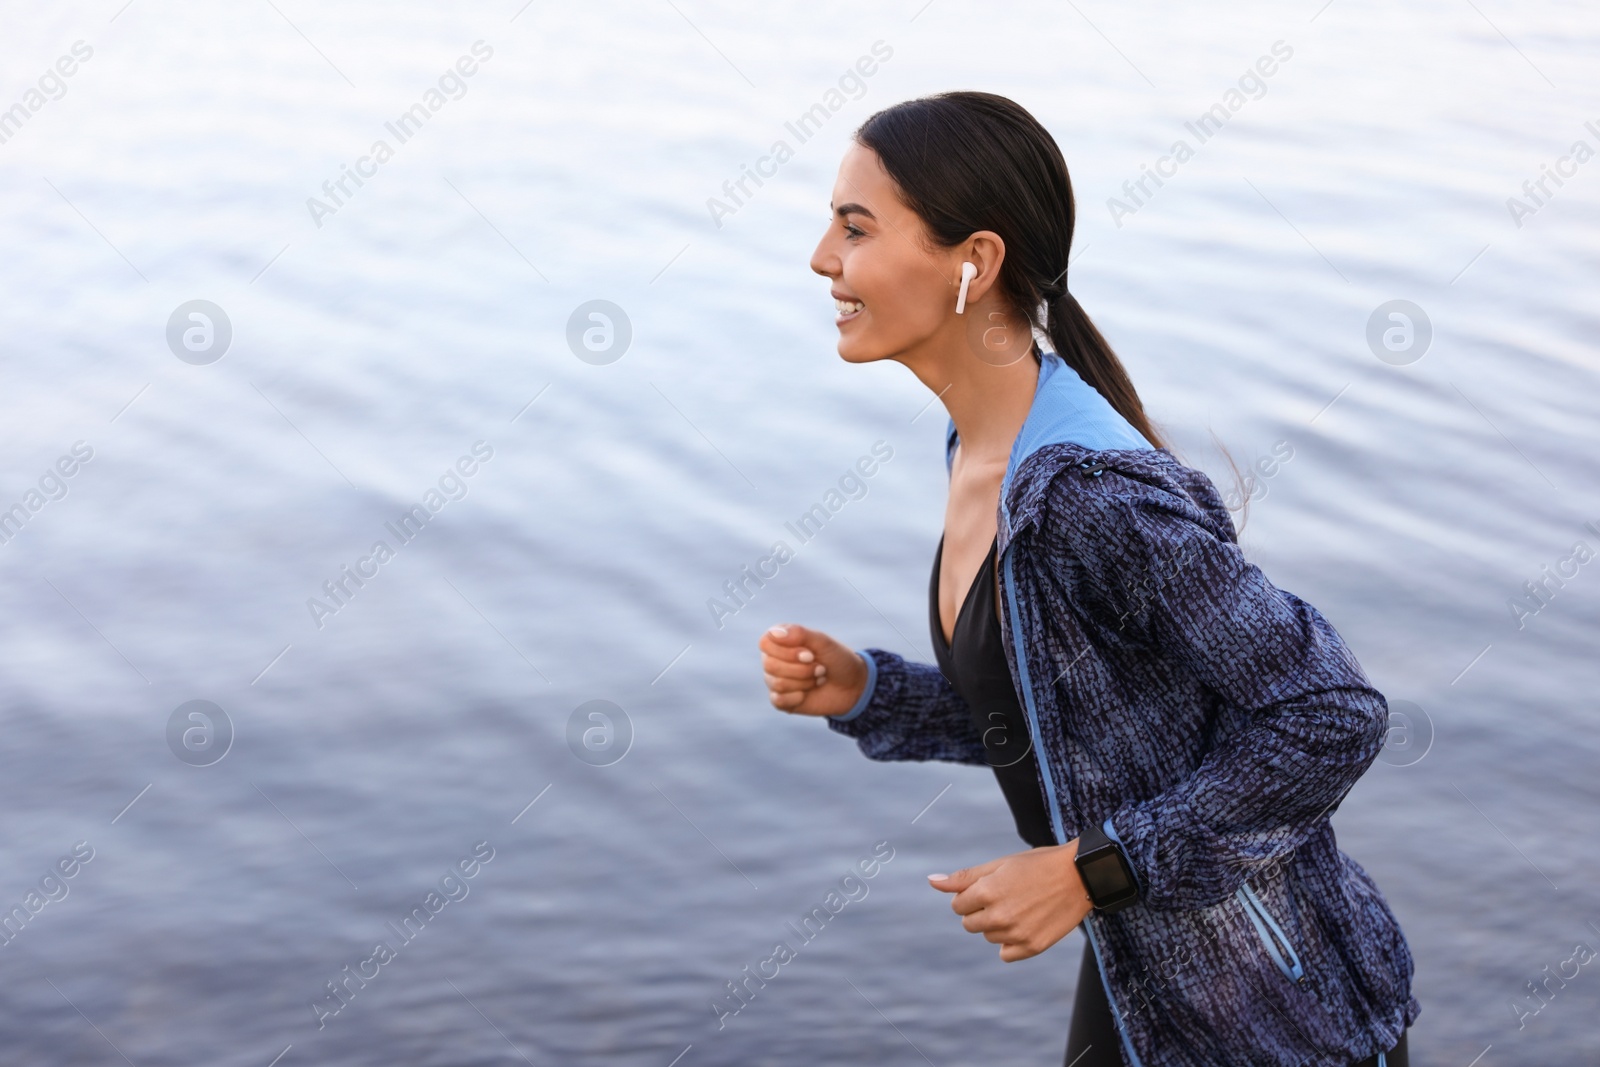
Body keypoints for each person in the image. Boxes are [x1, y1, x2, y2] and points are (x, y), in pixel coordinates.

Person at [756, 92, 1418, 1067]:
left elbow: (1330, 712)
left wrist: (1090, 868)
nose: (823, 257)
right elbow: (1074, 715)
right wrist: (870, 688)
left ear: (972, 262)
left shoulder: (1088, 494)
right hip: (1143, 980)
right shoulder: (987, 444)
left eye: (854, 227)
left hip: (1272, 1016)